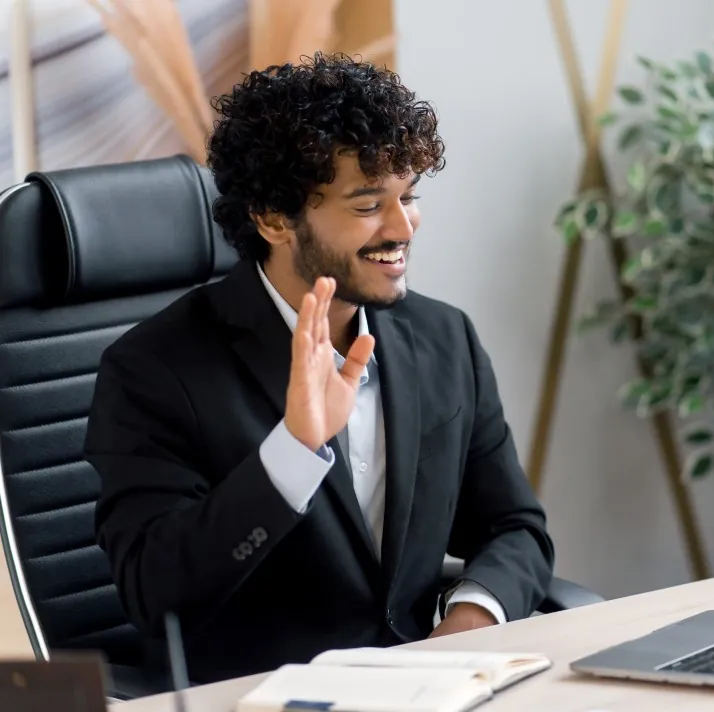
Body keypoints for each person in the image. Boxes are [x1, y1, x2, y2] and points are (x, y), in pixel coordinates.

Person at [84, 52, 555, 684]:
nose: (403, 227)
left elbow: (513, 527)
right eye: (367, 206)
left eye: (408, 196)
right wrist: (294, 450)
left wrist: (472, 615)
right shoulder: (153, 370)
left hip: (429, 689)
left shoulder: (445, 340)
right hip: (264, 696)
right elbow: (155, 595)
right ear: (275, 219)